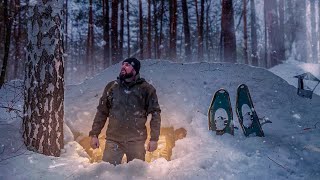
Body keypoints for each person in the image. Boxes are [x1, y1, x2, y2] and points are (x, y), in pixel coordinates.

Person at [89, 57, 161, 165]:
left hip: (136, 141)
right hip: (113, 140)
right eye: (123, 64)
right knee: (108, 174)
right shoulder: (112, 87)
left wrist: (154, 139)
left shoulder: (146, 89)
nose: (123, 67)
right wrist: (94, 134)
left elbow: (155, 113)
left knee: (136, 175)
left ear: (135, 69)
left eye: (127, 65)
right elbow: (102, 112)